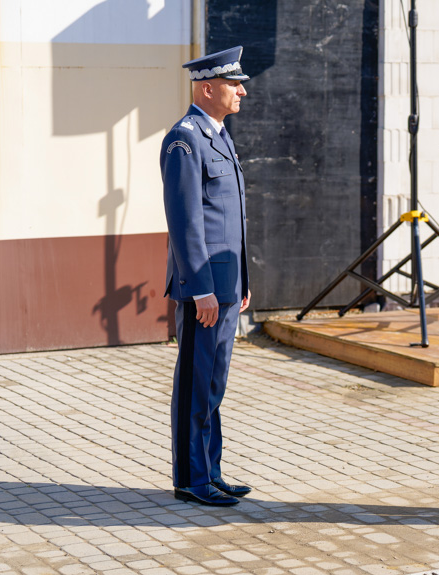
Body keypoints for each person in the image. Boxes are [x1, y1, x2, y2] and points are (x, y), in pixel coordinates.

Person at [160, 46, 252, 507]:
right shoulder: (184, 139)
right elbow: (186, 223)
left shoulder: (219, 135)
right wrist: (201, 289)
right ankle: (190, 480)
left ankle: (210, 471)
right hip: (205, 290)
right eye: (235, 84)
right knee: (196, 383)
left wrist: (242, 284)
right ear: (208, 87)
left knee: (213, 382)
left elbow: (229, 221)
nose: (242, 91)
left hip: (227, 287)